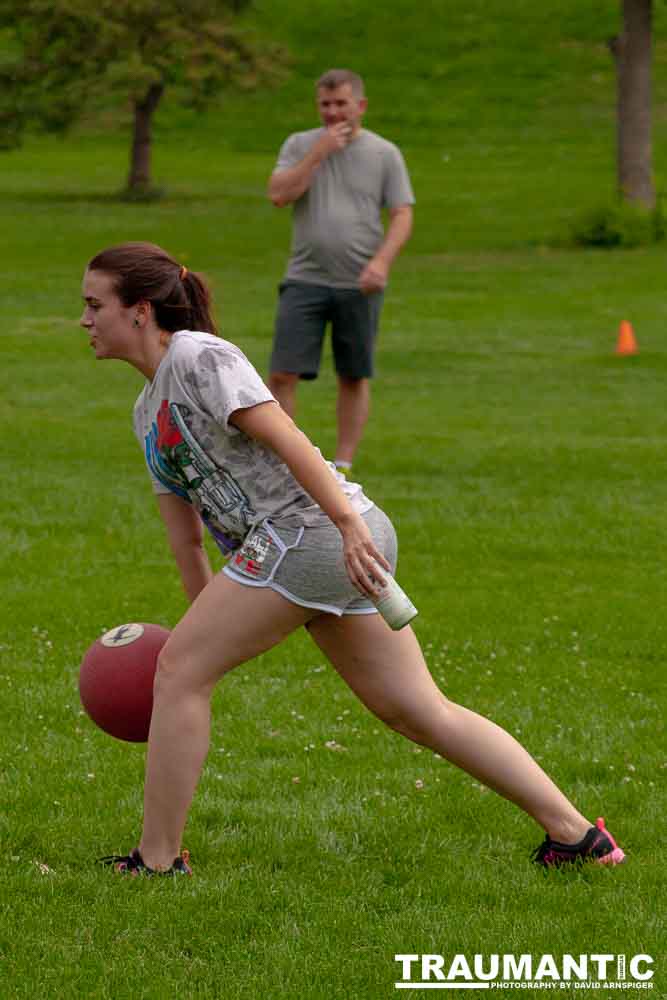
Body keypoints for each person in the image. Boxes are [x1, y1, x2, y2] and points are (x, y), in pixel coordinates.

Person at [81, 241, 625, 875]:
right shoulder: (146, 413)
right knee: (417, 710)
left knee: (178, 672)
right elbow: (186, 537)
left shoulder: (199, 357)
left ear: (141, 310)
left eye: (95, 305)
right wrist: (206, 621)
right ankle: (578, 838)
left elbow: (286, 435)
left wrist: (346, 527)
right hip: (311, 545)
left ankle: (155, 860)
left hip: (314, 532)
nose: (84, 320)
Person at [267, 68, 415, 476]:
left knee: (353, 374)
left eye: (341, 104)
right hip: (304, 277)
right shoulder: (299, 145)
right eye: (325, 104)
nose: (332, 112)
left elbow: (402, 214)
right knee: (282, 373)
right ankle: (288, 461)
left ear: (360, 106)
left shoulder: (384, 153)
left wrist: (381, 262)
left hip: (359, 282)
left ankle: (344, 463)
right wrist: (319, 152)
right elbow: (279, 194)